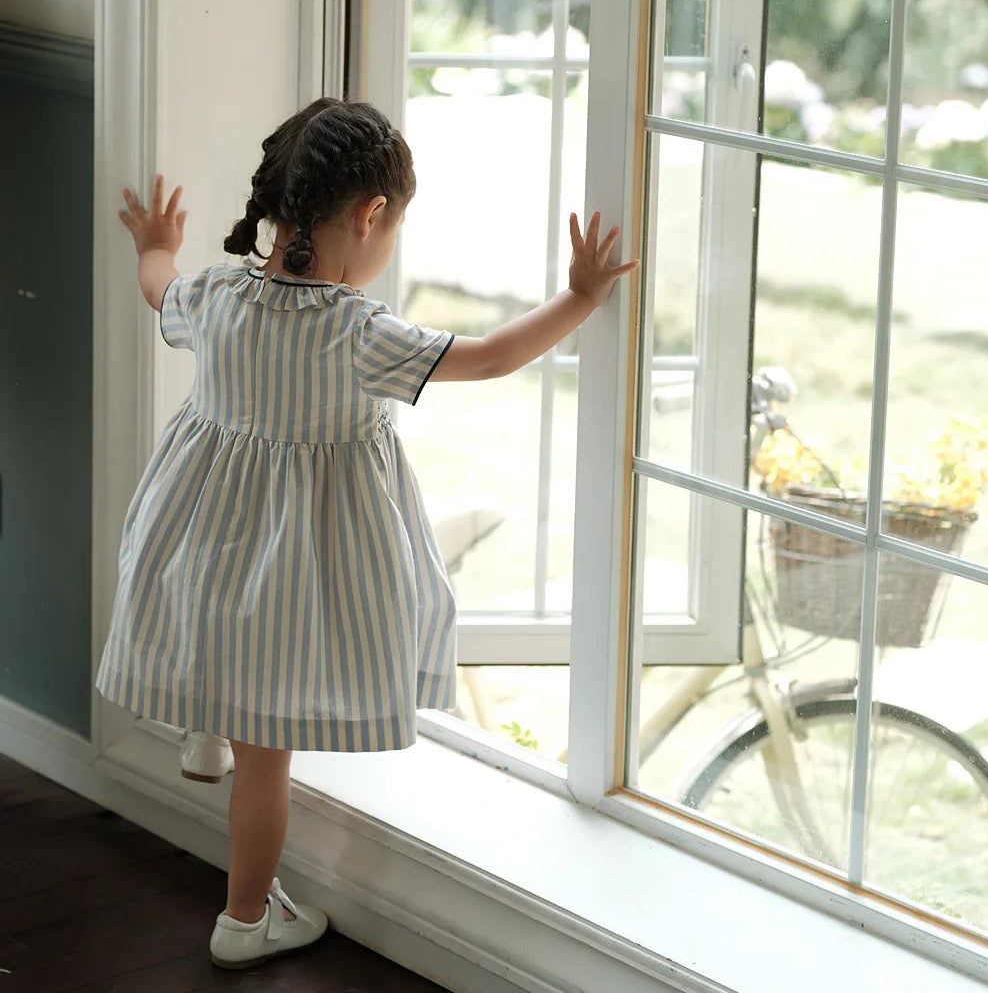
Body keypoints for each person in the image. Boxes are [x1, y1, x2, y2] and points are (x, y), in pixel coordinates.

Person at [95, 97, 638, 970]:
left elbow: (157, 282)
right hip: (286, 568)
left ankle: (207, 722)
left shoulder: (217, 294)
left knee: (215, 622)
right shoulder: (356, 334)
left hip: (196, 540)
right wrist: (579, 298)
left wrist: (151, 239)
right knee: (267, 759)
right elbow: (492, 356)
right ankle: (243, 921)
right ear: (371, 214)